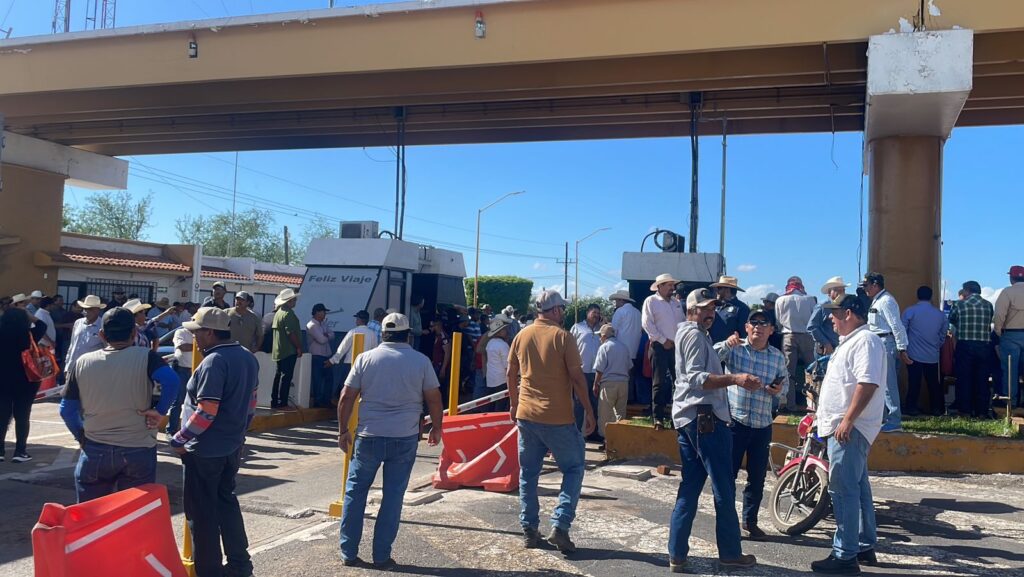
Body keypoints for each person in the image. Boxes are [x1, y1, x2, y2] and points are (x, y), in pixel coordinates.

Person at [336, 313, 444, 569]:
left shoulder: (365, 359)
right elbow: (434, 398)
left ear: (383, 334)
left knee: (355, 493)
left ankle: (348, 552)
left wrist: (342, 431)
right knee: (393, 497)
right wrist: (437, 428)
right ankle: (381, 555)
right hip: (404, 437)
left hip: (368, 436)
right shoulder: (421, 361)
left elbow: (346, 397)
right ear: (408, 335)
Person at [668, 288, 759, 572]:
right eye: (705, 308)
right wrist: (735, 378)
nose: (711, 313)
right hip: (706, 418)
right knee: (723, 488)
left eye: (712, 308)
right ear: (691, 310)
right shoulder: (695, 335)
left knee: (690, 487)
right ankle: (730, 553)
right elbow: (698, 378)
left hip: (690, 418)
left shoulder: (693, 333)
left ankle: (677, 554)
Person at [170, 307, 259, 577]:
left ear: (210, 332)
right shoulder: (247, 357)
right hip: (231, 446)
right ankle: (240, 565)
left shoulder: (213, 361)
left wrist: (179, 439)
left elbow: (207, 410)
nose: (194, 338)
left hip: (204, 450)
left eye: (197, 333)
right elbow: (251, 404)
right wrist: (239, 433)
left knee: (202, 516)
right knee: (226, 505)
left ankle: (209, 572)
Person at [59, 308, 179, 502]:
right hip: (138, 448)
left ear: (102, 335)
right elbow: (172, 381)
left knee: (92, 514)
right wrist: (160, 411)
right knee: (135, 513)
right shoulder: (147, 357)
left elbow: (66, 410)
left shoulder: (82, 362)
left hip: (95, 448)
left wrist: (81, 436)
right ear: (134, 333)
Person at [507, 290, 595, 553]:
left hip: (526, 415)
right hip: (558, 417)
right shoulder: (563, 337)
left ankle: (529, 529)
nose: (563, 313)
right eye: (562, 309)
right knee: (574, 468)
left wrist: (513, 404)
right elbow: (577, 378)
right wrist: (589, 411)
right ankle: (561, 525)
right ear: (555, 310)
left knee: (528, 474)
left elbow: (510, 372)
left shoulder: (521, 335)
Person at [811, 294, 886, 575]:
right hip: (846, 427)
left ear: (850, 314)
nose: (831, 318)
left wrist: (847, 420)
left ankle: (844, 556)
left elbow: (867, 383)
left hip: (849, 429)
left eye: (835, 312)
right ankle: (863, 545)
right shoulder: (852, 341)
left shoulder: (865, 340)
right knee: (858, 488)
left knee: (843, 490)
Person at [715, 309, 788, 541]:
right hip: (735, 422)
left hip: (762, 424)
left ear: (771, 330)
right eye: (753, 322)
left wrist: (778, 390)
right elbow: (711, 357)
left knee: (757, 479)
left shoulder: (777, 356)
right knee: (727, 476)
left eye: (763, 323)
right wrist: (726, 344)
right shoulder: (735, 348)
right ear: (746, 327)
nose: (758, 326)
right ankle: (726, 524)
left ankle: (750, 522)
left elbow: (784, 387)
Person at [861, 272, 910, 431]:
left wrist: (902, 347)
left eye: (866, 285)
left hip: (886, 343)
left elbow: (896, 325)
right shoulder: (878, 300)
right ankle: (883, 417)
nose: (865, 289)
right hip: (879, 343)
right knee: (880, 383)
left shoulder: (886, 301)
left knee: (888, 384)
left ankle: (894, 420)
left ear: (875, 285)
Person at [0, 307, 49, 463]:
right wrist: (29, 316)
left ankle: (0, 451)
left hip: (2, 380)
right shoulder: (29, 335)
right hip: (26, 381)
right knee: (22, 416)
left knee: (2, 416)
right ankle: (20, 452)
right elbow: (42, 325)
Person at [948, 280, 995, 418]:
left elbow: (952, 320)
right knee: (982, 379)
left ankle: (965, 411)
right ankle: (982, 411)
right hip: (984, 346)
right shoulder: (988, 305)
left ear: (967, 290)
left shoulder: (959, 304)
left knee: (964, 378)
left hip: (965, 344)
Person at [642, 273, 684, 423]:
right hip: (659, 346)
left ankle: (675, 416)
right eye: (669, 285)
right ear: (659, 286)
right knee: (658, 382)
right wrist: (663, 340)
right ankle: (658, 417)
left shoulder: (676, 302)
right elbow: (647, 324)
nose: (672, 288)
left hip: (675, 346)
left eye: (673, 285)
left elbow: (682, 322)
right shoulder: (651, 301)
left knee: (678, 381)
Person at [901, 286, 949, 416]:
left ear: (917, 296)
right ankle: (936, 408)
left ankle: (911, 407)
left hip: (913, 353)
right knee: (933, 383)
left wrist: (903, 347)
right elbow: (943, 333)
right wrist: (937, 344)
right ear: (931, 296)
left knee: (914, 382)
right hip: (932, 354)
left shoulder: (910, 311)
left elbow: (902, 330)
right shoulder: (940, 314)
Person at [775, 276, 818, 411]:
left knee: (788, 372)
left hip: (788, 335)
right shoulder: (810, 299)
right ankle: (814, 403)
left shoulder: (780, 300)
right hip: (807, 336)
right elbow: (814, 319)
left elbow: (778, 321)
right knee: (813, 371)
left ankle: (790, 404)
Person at [326, 310, 380, 403]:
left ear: (359, 320)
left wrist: (332, 360)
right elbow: (374, 351)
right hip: (365, 365)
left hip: (350, 363)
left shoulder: (353, 331)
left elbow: (343, 348)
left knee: (346, 388)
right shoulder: (372, 334)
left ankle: (342, 405)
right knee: (362, 389)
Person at [592, 324, 630, 442]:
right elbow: (629, 366)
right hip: (624, 383)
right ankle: (619, 440)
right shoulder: (624, 347)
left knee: (605, 413)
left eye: (600, 336)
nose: (599, 338)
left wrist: (596, 384)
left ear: (604, 336)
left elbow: (599, 369)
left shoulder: (604, 347)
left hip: (608, 383)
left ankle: (607, 440)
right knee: (620, 413)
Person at [570, 303, 603, 437]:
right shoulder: (577, 327)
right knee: (579, 404)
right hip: (581, 372)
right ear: (587, 313)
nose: (596, 315)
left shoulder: (602, 329)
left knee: (595, 403)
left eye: (598, 313)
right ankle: (577, 434)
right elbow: (570, 347)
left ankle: (593, 434)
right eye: (594, 312)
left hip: (596, 372)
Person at [994, 265, 1024, 408]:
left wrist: (998, 332)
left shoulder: (1007, 292)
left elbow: (999, 315)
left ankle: (1010, 405)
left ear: (1011, 278)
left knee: (1010, 371)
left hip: (1011, 334)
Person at [271, 288, 302, 409]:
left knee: (278, 376)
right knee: (286, 377)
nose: (295, 301)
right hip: (288, 350)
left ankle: (275, 401)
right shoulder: (289, 314)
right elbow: (291, 333)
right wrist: (298, 347)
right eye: (294, 299)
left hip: (278, 350)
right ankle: (282, 402)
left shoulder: (278, 313)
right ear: (289, 301)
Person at [609, 290, 642, 397]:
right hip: (635, 348)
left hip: (622, 348)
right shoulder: (638, 312)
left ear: (621, 300)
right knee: (632, 374)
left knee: (621, 375)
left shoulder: (620, 311)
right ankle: (632, 396)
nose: (615, 303)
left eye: (616, 301)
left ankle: (624, 397)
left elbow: (613, 330)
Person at [476, 316, 511, 412]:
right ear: (499, 332)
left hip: (491, 378)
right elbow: (507, 365)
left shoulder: (490, 343)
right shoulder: (503, 345)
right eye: (504, 329)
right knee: (501, 405)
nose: (506, 331)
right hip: (501, 379)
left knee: (491, 404)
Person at [809, 277, 849, 356]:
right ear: (829, 293)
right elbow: (812, 326)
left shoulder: (845, 305)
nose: (841, 293)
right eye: (838, 290)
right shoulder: (823, 306)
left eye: (843, 290)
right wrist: (826, 343)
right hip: (827, 350)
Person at [64, 295, 105, 371]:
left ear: (97, 310)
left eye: (90, 309)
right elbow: (72, 345)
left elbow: (106, 348)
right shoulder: (78, 323)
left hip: (91, 368)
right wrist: (67, 365)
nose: (86, 312)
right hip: (73, 366)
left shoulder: (103, 326)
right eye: (85, 309)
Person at [307, 303, 336, 408]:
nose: (325, 314)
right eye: (323, 312)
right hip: (317, 356)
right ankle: (318, 401)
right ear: (317, 312)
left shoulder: (323, 324)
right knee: (318, 380)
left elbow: (333, 335)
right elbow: (322, 340)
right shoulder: (312, 325)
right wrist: (326, 336)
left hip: (326, 355)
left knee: (329, 379)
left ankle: (326, 400)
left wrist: (326, 335)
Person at [168, 325, 194, 438]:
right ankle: (171, 430)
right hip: (181, 369)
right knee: (177, 401)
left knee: (194, 403)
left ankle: (190, 430)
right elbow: (182, 347)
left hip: (195, 370)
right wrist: (198, 345)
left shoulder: (200, 333)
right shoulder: (181, 332)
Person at [708, 275, 750, 344]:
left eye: (719, 288)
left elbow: (744, 335)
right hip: (711, 347)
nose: (717, 291)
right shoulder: (716, 306)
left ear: (727, 290)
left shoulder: (742, 308)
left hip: (730, 349)